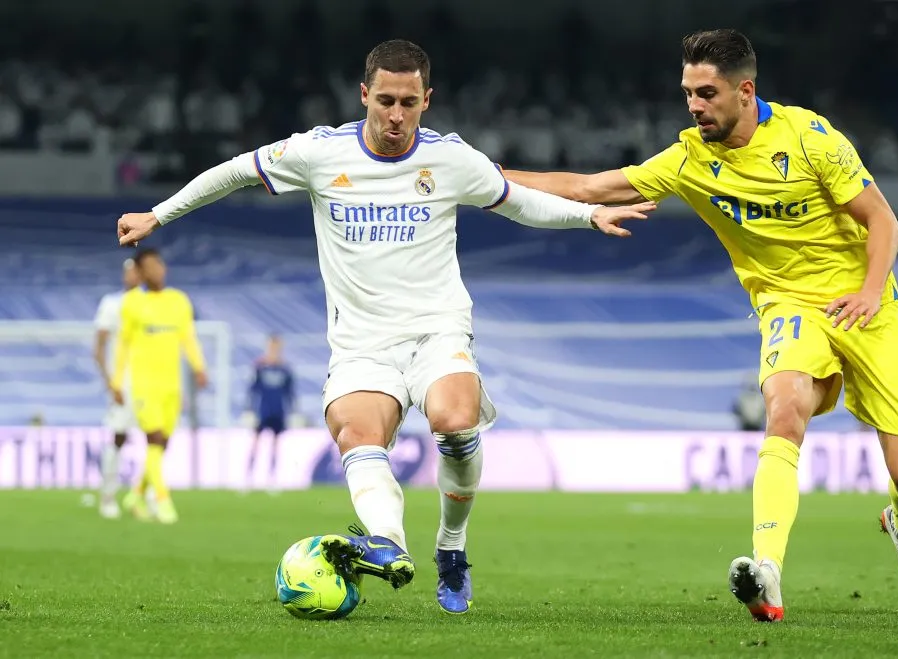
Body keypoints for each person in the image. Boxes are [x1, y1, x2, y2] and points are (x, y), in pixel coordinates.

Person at [115, 39, 653, 614]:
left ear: (427, 100)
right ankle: (389, 544)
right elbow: (234, 172)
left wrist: (589, 215)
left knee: (454, 422)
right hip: (361, 343)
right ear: (365, 94)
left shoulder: (450, 159)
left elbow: (519, 202)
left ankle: (451, 544)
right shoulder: (320, 152)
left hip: (436, 330)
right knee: (357, 433)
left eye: (410, 103)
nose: (396, 115)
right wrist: (159, 213)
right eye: (387, 101)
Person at [503, 28, 898, 622]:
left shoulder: (810, 138)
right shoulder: (689, 158)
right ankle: (768, 572)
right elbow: (588, 187)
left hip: (869, 307)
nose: (694, 106)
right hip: (789, 307)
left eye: (706, 93)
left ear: (745, 90)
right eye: (687, 93)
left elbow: (883, 221)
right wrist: (490, 177)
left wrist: (867, 290)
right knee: (783, 409)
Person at [111, 248, 208, 524]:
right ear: (140, 273)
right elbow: (122, 344)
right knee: (153, 439)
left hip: (171, 386)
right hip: (144, 385)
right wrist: (117, 382)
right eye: (150, 266)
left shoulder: (178, 300)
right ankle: (163, 501)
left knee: (161, 445)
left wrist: (199, 367)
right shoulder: (131, 303)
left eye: (159, 264)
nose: (157, 270)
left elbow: (188, 337)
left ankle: (135, 494)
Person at [93, 257, 140, 519]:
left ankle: (146, 496)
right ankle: (108, 496)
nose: (131, 276)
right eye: (129, 272)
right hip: (123, 383)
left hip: (150, 383)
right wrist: (110, 382)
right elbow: (98, 346)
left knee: (155, 439)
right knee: (118, 436)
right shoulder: (112, 304)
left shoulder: (151, 304)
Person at [246, 334, 295, 491]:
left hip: (278, 410)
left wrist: (292, 412)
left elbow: (290, 393)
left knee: (275, 445)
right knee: (255, 444)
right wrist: (250, 410)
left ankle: (272, 479)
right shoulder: (259, 367)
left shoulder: (285, 369)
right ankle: (248, 479)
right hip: (262, 410)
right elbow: (252, 390)